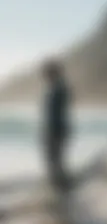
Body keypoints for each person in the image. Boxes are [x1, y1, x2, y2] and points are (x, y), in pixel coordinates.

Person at [42, 59, 71, 192]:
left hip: (56, 129)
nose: (45, 76)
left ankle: (60, 186)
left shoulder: (58, 88)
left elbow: (56, 113)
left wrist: (49, 130)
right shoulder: (57, 87)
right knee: (55, 158)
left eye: (47, 73)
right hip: (57, 128)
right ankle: (59, 184)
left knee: (55, 158)